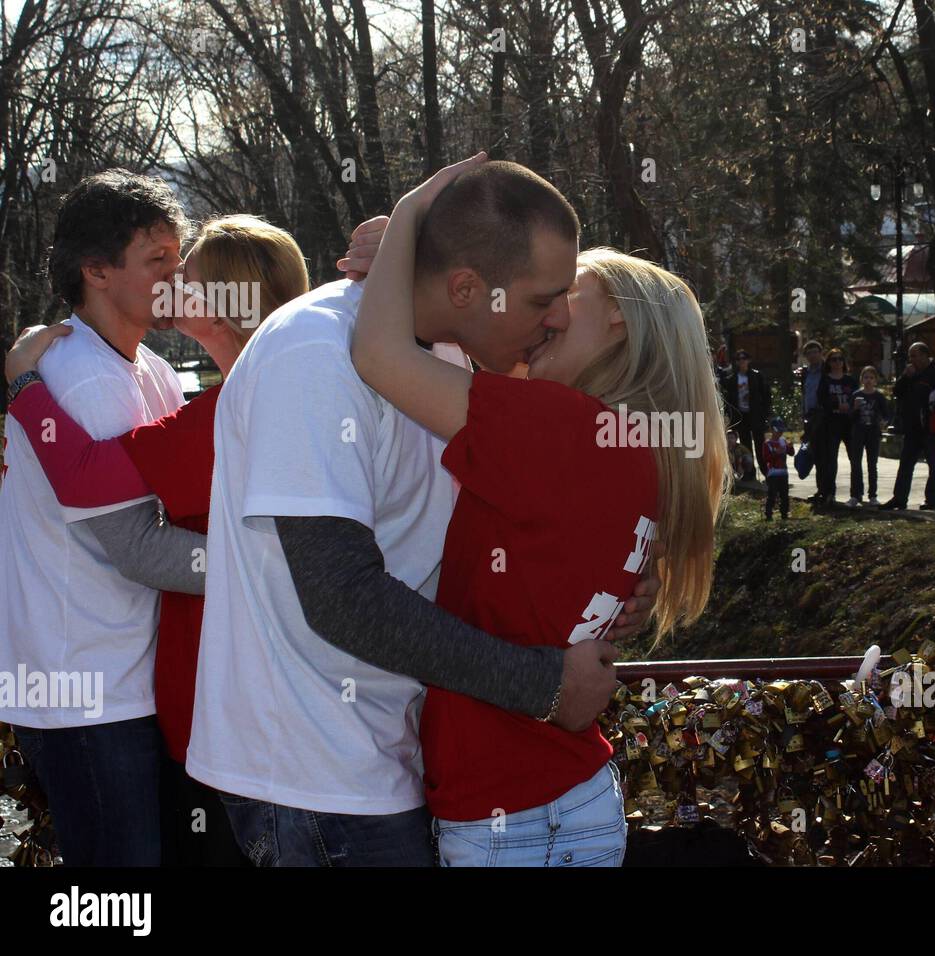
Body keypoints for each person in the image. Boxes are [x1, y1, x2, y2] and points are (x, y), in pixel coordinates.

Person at [183, 156, 661, 867]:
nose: (556, 317)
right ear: (468, 287)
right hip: (318, 778)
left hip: (389, 761)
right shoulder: (314, 355)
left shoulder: (453, 357)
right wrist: (544, 686)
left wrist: (623, 593)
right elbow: (341, 596)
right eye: (540, 300)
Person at [350, 157, 728, 866]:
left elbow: (377, 354)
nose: (544, 314)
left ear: (617, 316)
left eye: (563, 295)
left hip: (505, 813)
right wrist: (440, 264)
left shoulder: (562, 428)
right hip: (572, 792)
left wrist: (409, 217)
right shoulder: (632, 444)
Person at [2, 214, 320, 865]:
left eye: (189, 274)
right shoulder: (286, 387)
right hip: (245, 712)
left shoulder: (232, 408)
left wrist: (23, 386)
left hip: (238, 721)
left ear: (231, 303)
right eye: (164, 264)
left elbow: (89, 477)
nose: (175, 283)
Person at [0, 170, 200, 866]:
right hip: (83, 689)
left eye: (180, 256)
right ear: (96, 269)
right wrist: (276, 569)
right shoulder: (78, 374)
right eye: (158, 261)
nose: (178, 275)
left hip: (126, 678)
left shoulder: (153, 369)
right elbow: (139, 549)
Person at [880, 342, 935, 511]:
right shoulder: (911, 374)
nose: (911, 359)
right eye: (910, 356)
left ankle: (932, 500)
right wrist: (904, 377)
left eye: (914, 355)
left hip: (930, 427)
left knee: (933, 463)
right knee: (906, 463)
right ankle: (899, 498)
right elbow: (897, 392)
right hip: (912, 427)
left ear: (925, 355)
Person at [722, 350, 770, 480]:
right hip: (742, 416)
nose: (741, 361)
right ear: (736, 362)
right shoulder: (732, 379)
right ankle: (749, 472)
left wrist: (765, 413)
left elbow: (766, 395)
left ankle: (766, 471)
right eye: (739, 359)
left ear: (748, 360)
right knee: (745, 445)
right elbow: (729, 400)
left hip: (755, 415)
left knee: (760, 445)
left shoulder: (756, 376)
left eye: (744, 358)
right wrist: (731, 417)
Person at [814, 348, 855, 504]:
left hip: (849, 423)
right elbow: (822, 399)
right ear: (829, 363)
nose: (837, 362)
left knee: (855, 459)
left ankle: (856, 493)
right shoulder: (825, 380)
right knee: (831, 459)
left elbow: (857, 396)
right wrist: (837, 404)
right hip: (831, 423)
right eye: (833, 359)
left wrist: (849, 406)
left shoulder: (850, 380)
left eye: (840, 359)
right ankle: (830, 492)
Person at [848, 366, 890, 506]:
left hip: (873, 433)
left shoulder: (879, 396)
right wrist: (855, 408)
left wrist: (884, 422)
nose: (868, 380)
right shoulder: (856, 395)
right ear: (861, 379)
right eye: (866, 377)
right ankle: (855, 495)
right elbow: (850, 417)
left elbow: (886, 414)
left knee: (872, 465)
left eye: (871, 378)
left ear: (875, 381)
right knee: (856, 464)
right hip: (858, 432)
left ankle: (873, 495)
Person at [796, 340, 826, 499]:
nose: (813, 355)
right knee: (813, 453)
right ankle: (821, 490)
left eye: (815, 352)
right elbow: (804, 394)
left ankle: (827, 490)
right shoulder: (806, 373)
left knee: (824, 456)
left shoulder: (826, 371)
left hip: (823, 417)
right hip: (810, 417)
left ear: (821, 353)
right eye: (809, 353)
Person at [760, 417, 794, 520]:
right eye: (777, 430)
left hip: (783, 473)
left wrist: (790, 447)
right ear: (772, 430)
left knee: (785, 495)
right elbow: (766, 459)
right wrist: (776, 453)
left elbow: (791, 453)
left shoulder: (783, 441)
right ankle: (769, 515)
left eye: (781, 430)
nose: (780, 432)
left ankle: (784, 514)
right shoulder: (767, 444)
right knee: (772, 495)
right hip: (773, 474)